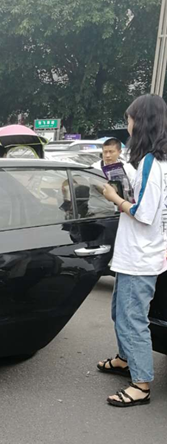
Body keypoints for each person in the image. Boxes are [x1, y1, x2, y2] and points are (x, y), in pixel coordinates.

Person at [97, 94, 167, 407]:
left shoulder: (153, 161)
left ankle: (141, 384)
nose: (127, 124)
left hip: (140, 256)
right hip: (145, 252)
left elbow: (144, 213)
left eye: (129, 118)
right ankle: (125, 359)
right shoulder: (158, 160)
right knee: (120, 312)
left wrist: (114, 197)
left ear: (141, 122)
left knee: (132, 319)